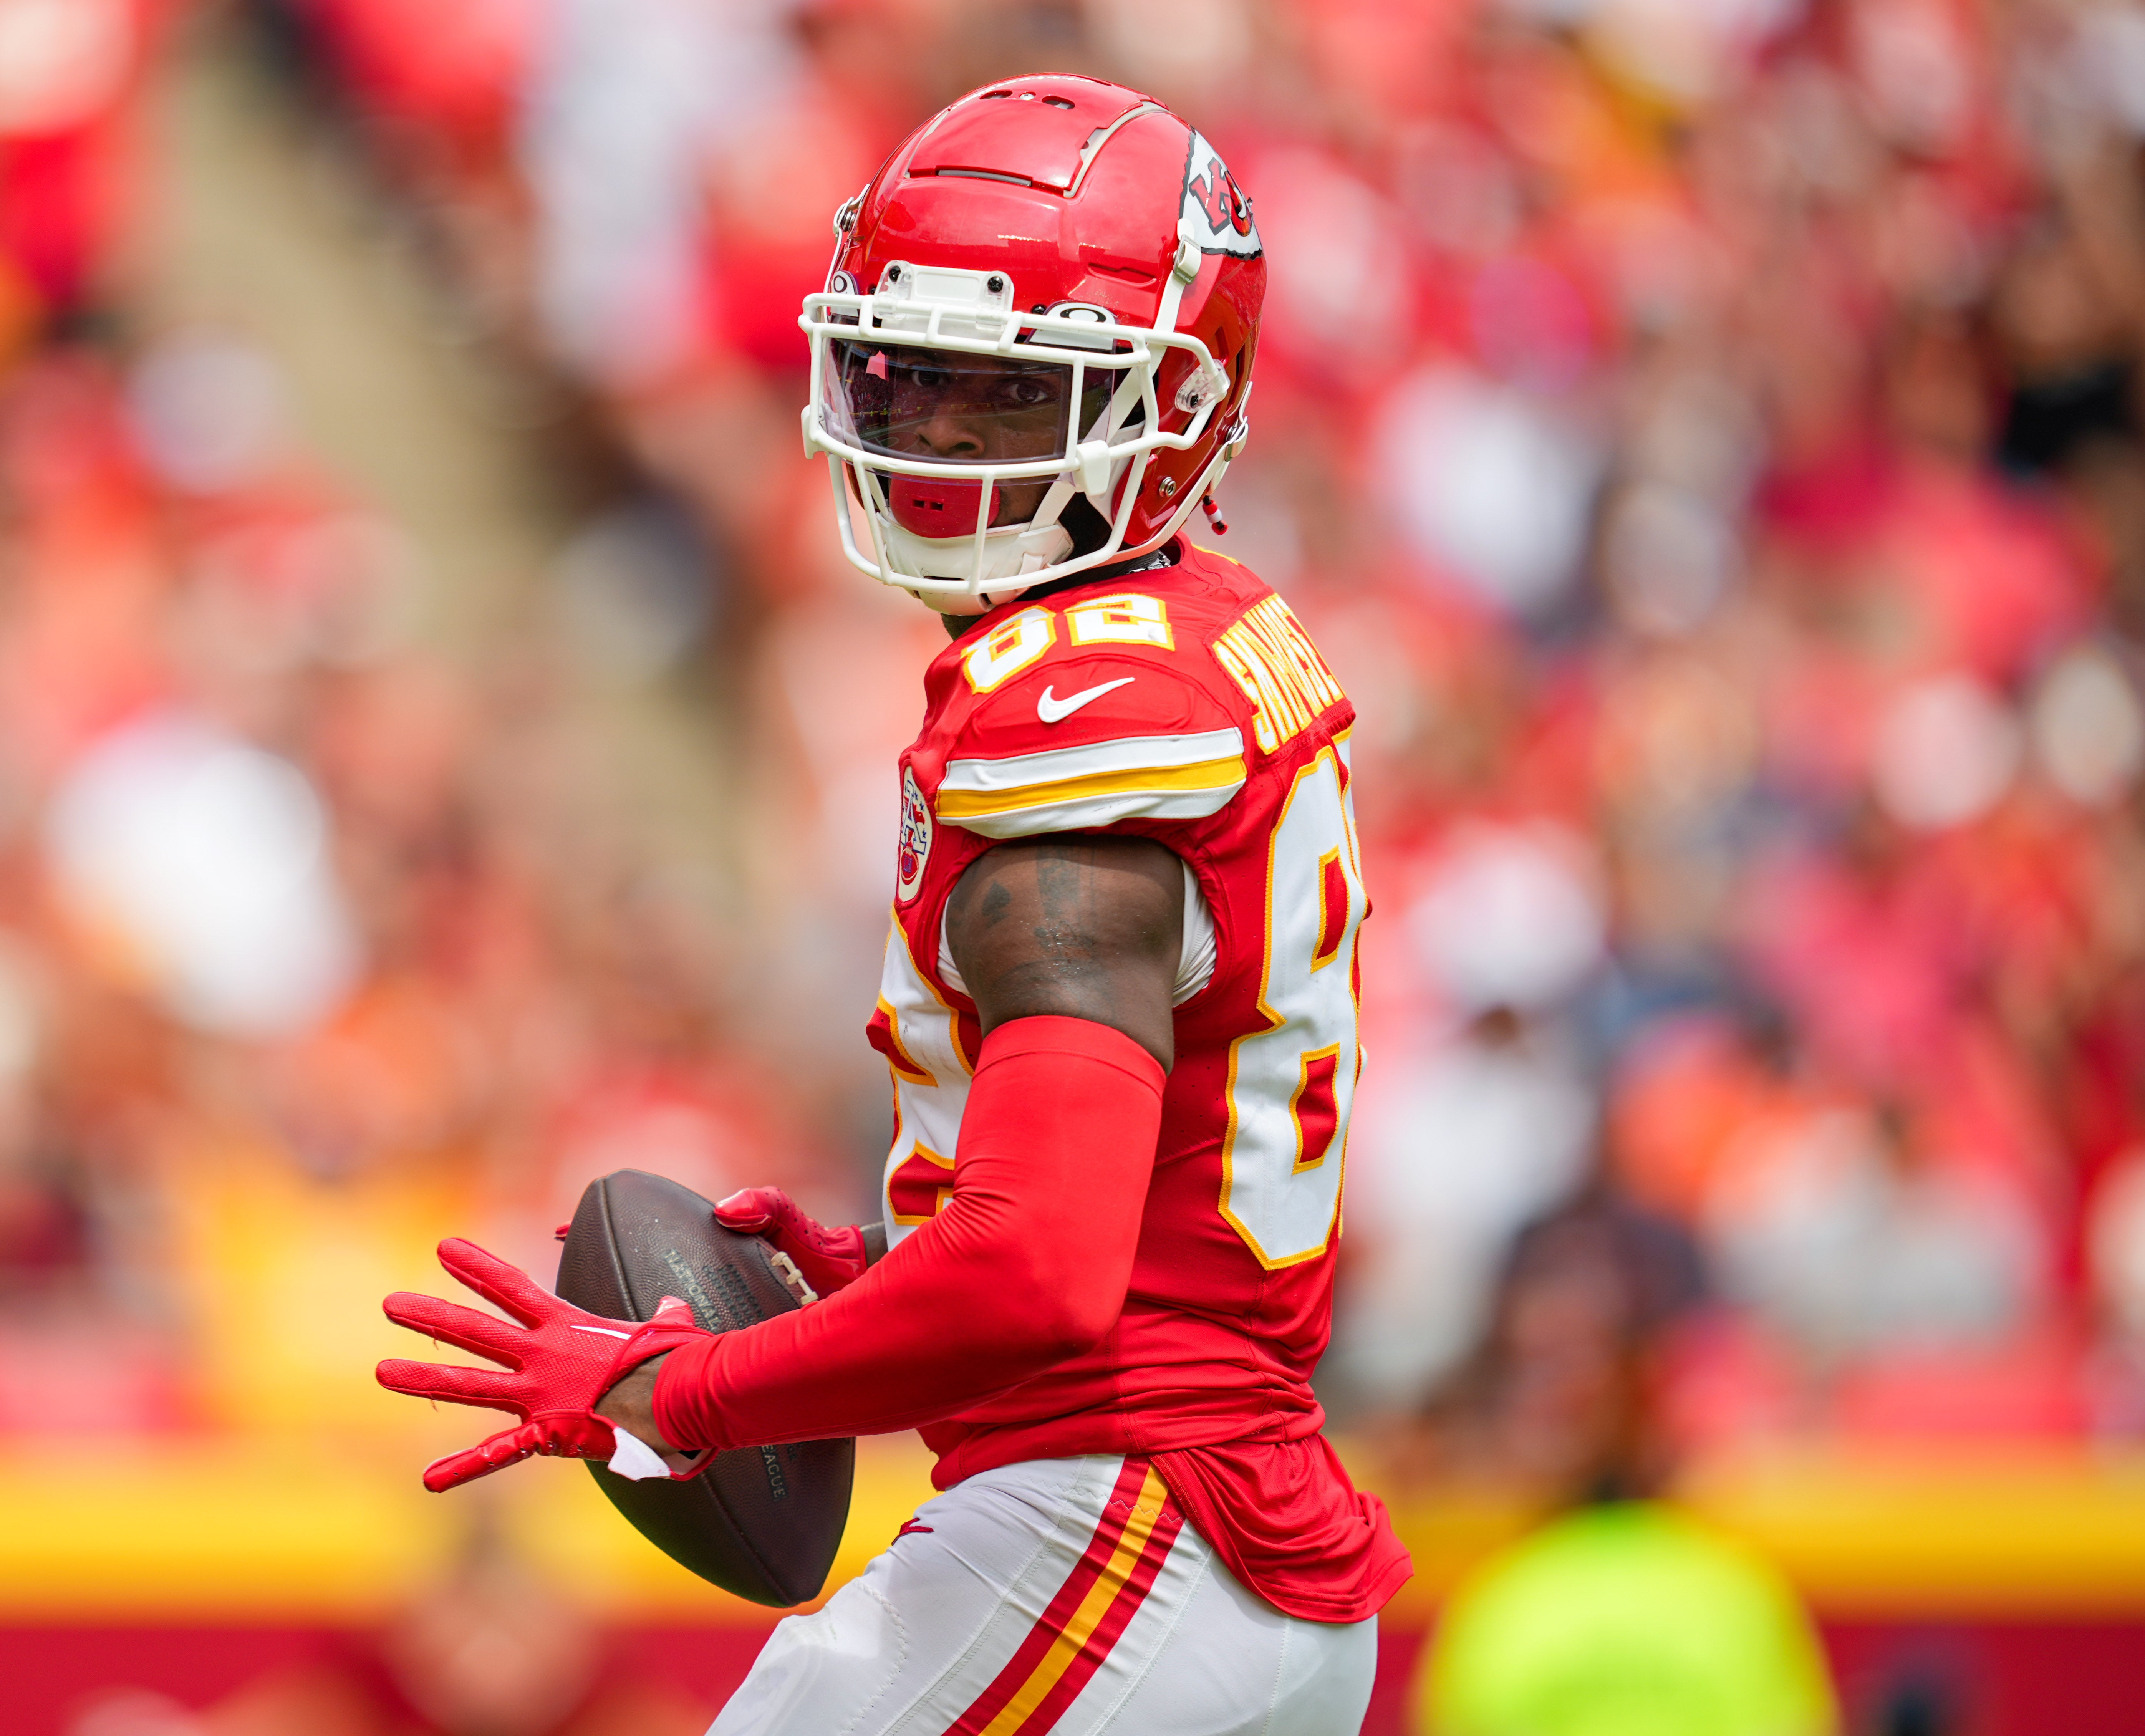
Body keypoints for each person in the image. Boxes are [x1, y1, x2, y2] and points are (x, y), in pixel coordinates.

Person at [376, 73, 1409, 1736]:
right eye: (907, 372)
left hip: (1117, 1529)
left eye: (1012, 388)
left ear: (1179, 400)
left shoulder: (1073, 721)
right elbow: (1141, 1206)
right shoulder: (1200, 633)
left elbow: (1038, 1273)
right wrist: (885, 1257)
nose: (937, 436)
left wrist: (678, 1388)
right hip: (1211, 1537)